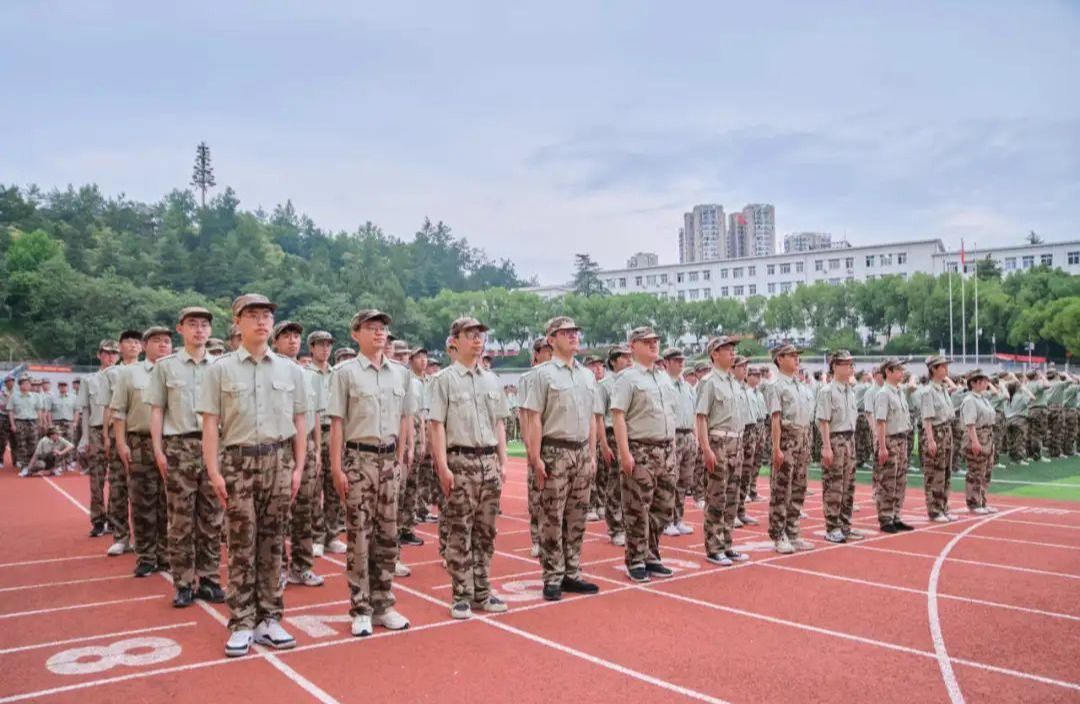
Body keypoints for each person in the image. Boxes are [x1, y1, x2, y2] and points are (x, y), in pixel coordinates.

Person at [198, 293, 309, 657]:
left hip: (279, 461)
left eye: (266, 316)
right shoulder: (219, 370)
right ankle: (242, 622)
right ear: (237, 322)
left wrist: (298, 469)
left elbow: (300, 422)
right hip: (238, 463)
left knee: (274, 543)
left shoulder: (291, 371)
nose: (261, 321)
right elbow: (210, 424)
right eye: (253, 315)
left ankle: (270, 618)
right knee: (242, 543)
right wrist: (214, 471)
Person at [326, 309, 415, 638]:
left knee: (388, 536)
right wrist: (337, 467)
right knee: (360, 538)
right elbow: (337, 424)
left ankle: (383, 603)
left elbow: (405, 418)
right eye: (371, 327)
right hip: (359, 461)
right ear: (356, 334)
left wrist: (401, 458)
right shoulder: (344, 373)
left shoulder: (401, 374)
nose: (379, 333)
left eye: (383, 328)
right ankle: (361, 608)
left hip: (389, 461)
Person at [428, 316, 511, 618]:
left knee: (486, 531)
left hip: (488, 460)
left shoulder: (491, 380)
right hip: (460, 460)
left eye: (480, 335)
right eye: (470, 334)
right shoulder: (444, 380)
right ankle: (461, 593)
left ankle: (483, 591)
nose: (477, 339)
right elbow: (436, 425)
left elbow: (499, 423)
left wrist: (503, 461)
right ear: (455, 341)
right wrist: (442, 466)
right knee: (460, 529)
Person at [147, 306, 225, 607]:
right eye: (193, 324)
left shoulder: (220, 366)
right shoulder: (166, 367)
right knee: (180, 519)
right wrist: (158, 450)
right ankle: (183, 582)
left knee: (212, 517)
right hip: (179, 446)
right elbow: (157, 410)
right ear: (180, 329)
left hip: (212, 447)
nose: (199, 330)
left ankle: (209, 578)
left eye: (204, 325)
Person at [521, 316, 600, 601]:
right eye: (566, 333)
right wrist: (535, 457)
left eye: (575, 332)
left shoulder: (587, 375)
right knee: (552, 517)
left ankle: (572, 572)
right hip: (554, 451)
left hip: (581, 451)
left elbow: (591, 418)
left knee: (577, 516)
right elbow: (533, 418)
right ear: (551, 339)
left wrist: (592, 454)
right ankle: (552, 576)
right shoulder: (542, 375)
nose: (573, 336)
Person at [610, 326, 678, 582]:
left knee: (664, 507)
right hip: (641, 449)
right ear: (633, 346)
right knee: (637, 508)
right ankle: (636, 559)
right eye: (647, 341)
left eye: (656, 340)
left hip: (666, 450)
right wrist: (625, 453)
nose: (653, 344)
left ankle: (651, 554)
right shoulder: (627, 378)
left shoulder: (663, 377)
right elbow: (618, 415)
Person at [111, 325, 172, 575]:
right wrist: (121, 442)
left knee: (169, 502)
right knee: (142, 501)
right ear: (145, 346)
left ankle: (166, 554)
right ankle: (146, 556)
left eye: (167, 341)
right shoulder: (129, 373)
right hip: (140, 442)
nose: (162, 345)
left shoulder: (176, 371)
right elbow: (119, 411)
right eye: (156, 340)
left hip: (171, 443)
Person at [271, 320, 327, 589]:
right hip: (280, 448)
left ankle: (302, 566)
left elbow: (313, 415)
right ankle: (278, 568)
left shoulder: (309, 375)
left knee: (305, 509)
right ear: (276, 342)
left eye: (296, 336)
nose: (292, 340)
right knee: (278, 512)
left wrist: (316, 451)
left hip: (306, 448)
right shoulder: (270, 371)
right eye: (286, 336)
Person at [695, 336, 750, 565]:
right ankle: (714, 547)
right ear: (714, 354)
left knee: (732, 497)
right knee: (716, 497)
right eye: (727, 349)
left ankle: (727, 544)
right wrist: (706, 448)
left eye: (733, 349)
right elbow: (701, 417)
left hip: (736, 442)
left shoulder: (734, 382)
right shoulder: (709, 382)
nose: (732, 352)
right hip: (718, 442)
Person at [765, 344, 816, 554]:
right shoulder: (775, 386)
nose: (797, 359)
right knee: (781, 489)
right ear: (780, 359)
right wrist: (776, 448)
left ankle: (793, 532)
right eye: (792, 356)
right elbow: (775, 419)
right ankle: (778, 535)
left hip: (803, 438)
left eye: (797, 356)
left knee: (798, 488)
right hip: (787, 439)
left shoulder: (801, 386)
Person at [102, 329, 144, 558]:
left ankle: (144, 538)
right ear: (120, 347)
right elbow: (108, 406)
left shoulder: (150, 369)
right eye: (128, 341)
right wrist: (106, 436)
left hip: (141, 434)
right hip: (118, 432)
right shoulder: (112, 373)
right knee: (118, 487)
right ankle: (121, 537)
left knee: (143, 488)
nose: (133, 345)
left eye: (137, 342)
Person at [816, 350, 862, 543]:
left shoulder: (850, 390)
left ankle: (845, 525)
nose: (851, 367)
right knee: (834, 485)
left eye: (851, 364)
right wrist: (827, 447)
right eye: (846, 364)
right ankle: (832, 526)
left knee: (848, 485)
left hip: (850, 439)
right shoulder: (827, 391)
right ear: (835, 366)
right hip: (835, 439)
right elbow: (824, 421)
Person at [76, 340, 120, 536]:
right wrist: (85, 438)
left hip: (117, 430)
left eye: (114, 353)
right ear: (99, 354)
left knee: (117, 479)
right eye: (106, 353)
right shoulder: (89, 380)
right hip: (95, 431)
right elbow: (85, 410)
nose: (110, 357)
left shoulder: (123, 376)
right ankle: (98, 520)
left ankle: (114, 520)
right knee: (96, 478)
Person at [518, 337, 553, 558]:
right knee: (536, 493)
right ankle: (537, 539)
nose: (549, 353)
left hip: (556, 440)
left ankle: (553, 540)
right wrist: (529, 444)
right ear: (537, 354)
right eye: (545, 350)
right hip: (537, 441)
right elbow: (524, 413)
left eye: (551, 349)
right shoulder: (528, 378)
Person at [874, 358, 915, 534]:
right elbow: (881, 422)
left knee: (900, 480)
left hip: (902, 440)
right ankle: (886, 518)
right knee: (888, 481)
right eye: (898, 370)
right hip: (890, 440)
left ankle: (896, 515)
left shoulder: (899, 392)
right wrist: (882, 447)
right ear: (888, 372)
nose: (902, 373)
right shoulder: (884, 394)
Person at [595, 346, 630, 546]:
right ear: (613, 361)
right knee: (615, 483)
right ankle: (616, 527)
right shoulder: (605, 385)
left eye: (629, 356)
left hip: (631, 434)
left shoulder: (633, 381)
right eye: (623, 357)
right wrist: (603, 444)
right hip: (611, 434)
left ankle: (629, 524)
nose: (628, 360)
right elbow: (599, 417)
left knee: (631, 483)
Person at [662, 348, 697, 537]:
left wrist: (695, 438)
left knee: (684, 481)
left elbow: (694, 414)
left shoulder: (688, 387)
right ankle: (666, 521)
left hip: (688, 435)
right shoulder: (663, 384)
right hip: (672, 436)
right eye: (676, 360)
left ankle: (678, 518)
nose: (680, 363)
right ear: (666, 362)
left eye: (682, 360)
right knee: (669, 480)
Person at [919, 356, 957, 523]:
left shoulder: (942, 389)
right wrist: (930, 439)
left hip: (946, 431)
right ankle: (934, 510)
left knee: (946, 472)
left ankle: (943, 507)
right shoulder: (928, 391)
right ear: (933, 369)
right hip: (935, 431)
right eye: (942, 366)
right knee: (935, 472)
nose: (946, 369)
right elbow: (927, 418)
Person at [961, 370, 998, 514]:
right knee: (976, 471)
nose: (986, 383)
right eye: (983, 381)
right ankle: (974, 503)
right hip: (977, 435)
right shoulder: (970, 400)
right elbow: (970, 423)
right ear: (973, 383)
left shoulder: (983, 399)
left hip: (987, 436)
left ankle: (982, 501)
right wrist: (975, 442)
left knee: (986, 471)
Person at [8, 374, 40, 470]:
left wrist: (39, 422)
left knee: (33, 444)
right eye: (24, 383)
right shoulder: (14, 397)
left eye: (28, 384)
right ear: (20, 385)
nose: (26, 385)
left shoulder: (35, 396)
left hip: (32, 422)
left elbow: (38, 410)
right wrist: (13, 424)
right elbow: (10, 411)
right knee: (21, 444)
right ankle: (24, 465)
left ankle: (32, 464)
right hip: (20, 422)